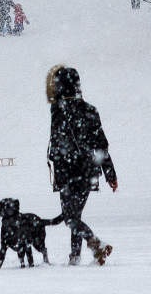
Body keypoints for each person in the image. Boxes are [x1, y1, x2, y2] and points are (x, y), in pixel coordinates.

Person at [46, 64, 117, 266]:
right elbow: (101, 145)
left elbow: (59, 138)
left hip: (66, 171)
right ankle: (75, 257)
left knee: (70, 218)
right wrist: (110, 174)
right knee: (74, 216)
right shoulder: (90, 110)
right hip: (87, 170)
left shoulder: (57, 110)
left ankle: (95, 245)